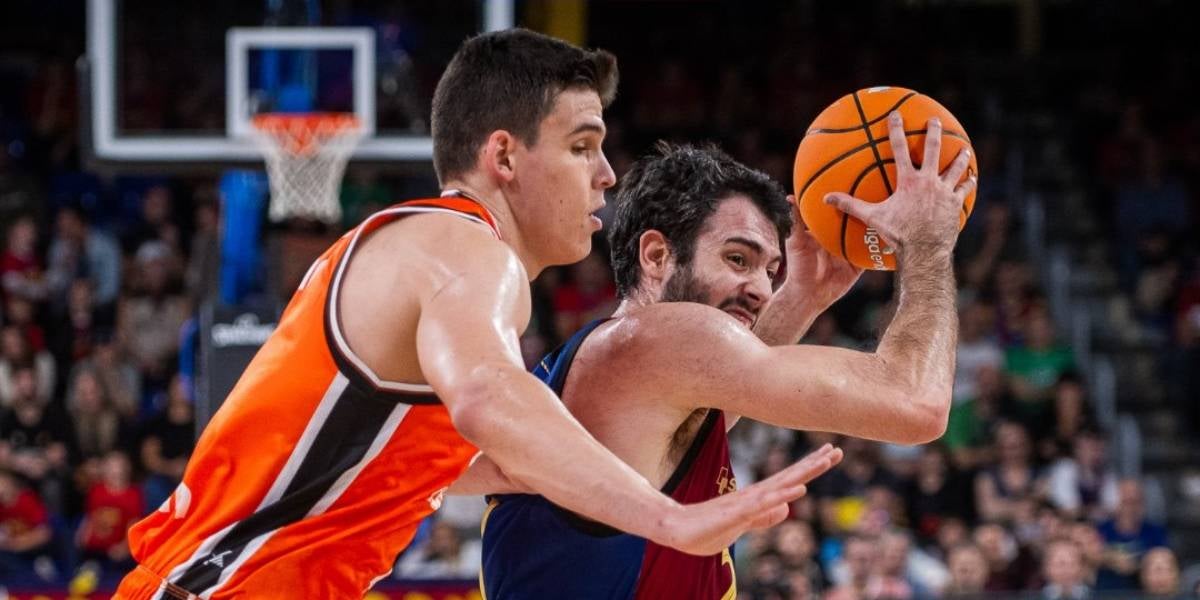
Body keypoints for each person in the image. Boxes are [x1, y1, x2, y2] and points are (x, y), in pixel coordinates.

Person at [113, 29, 829, 599]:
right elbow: (492, 397)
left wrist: (803, 297)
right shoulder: (461, 247)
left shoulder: (419, 267)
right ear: (504, 157)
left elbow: (519, 460)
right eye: (582, 145)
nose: (607, 173)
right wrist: (672, 522)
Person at [472, 107, 975, 599]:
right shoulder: (659, 341)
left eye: (769, 270)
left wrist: (801, 295)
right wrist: (927, 244)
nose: (760, 288)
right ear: (656, 255)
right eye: (738, 259)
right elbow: (915, 404)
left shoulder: (618, 365)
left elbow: (704, 419)